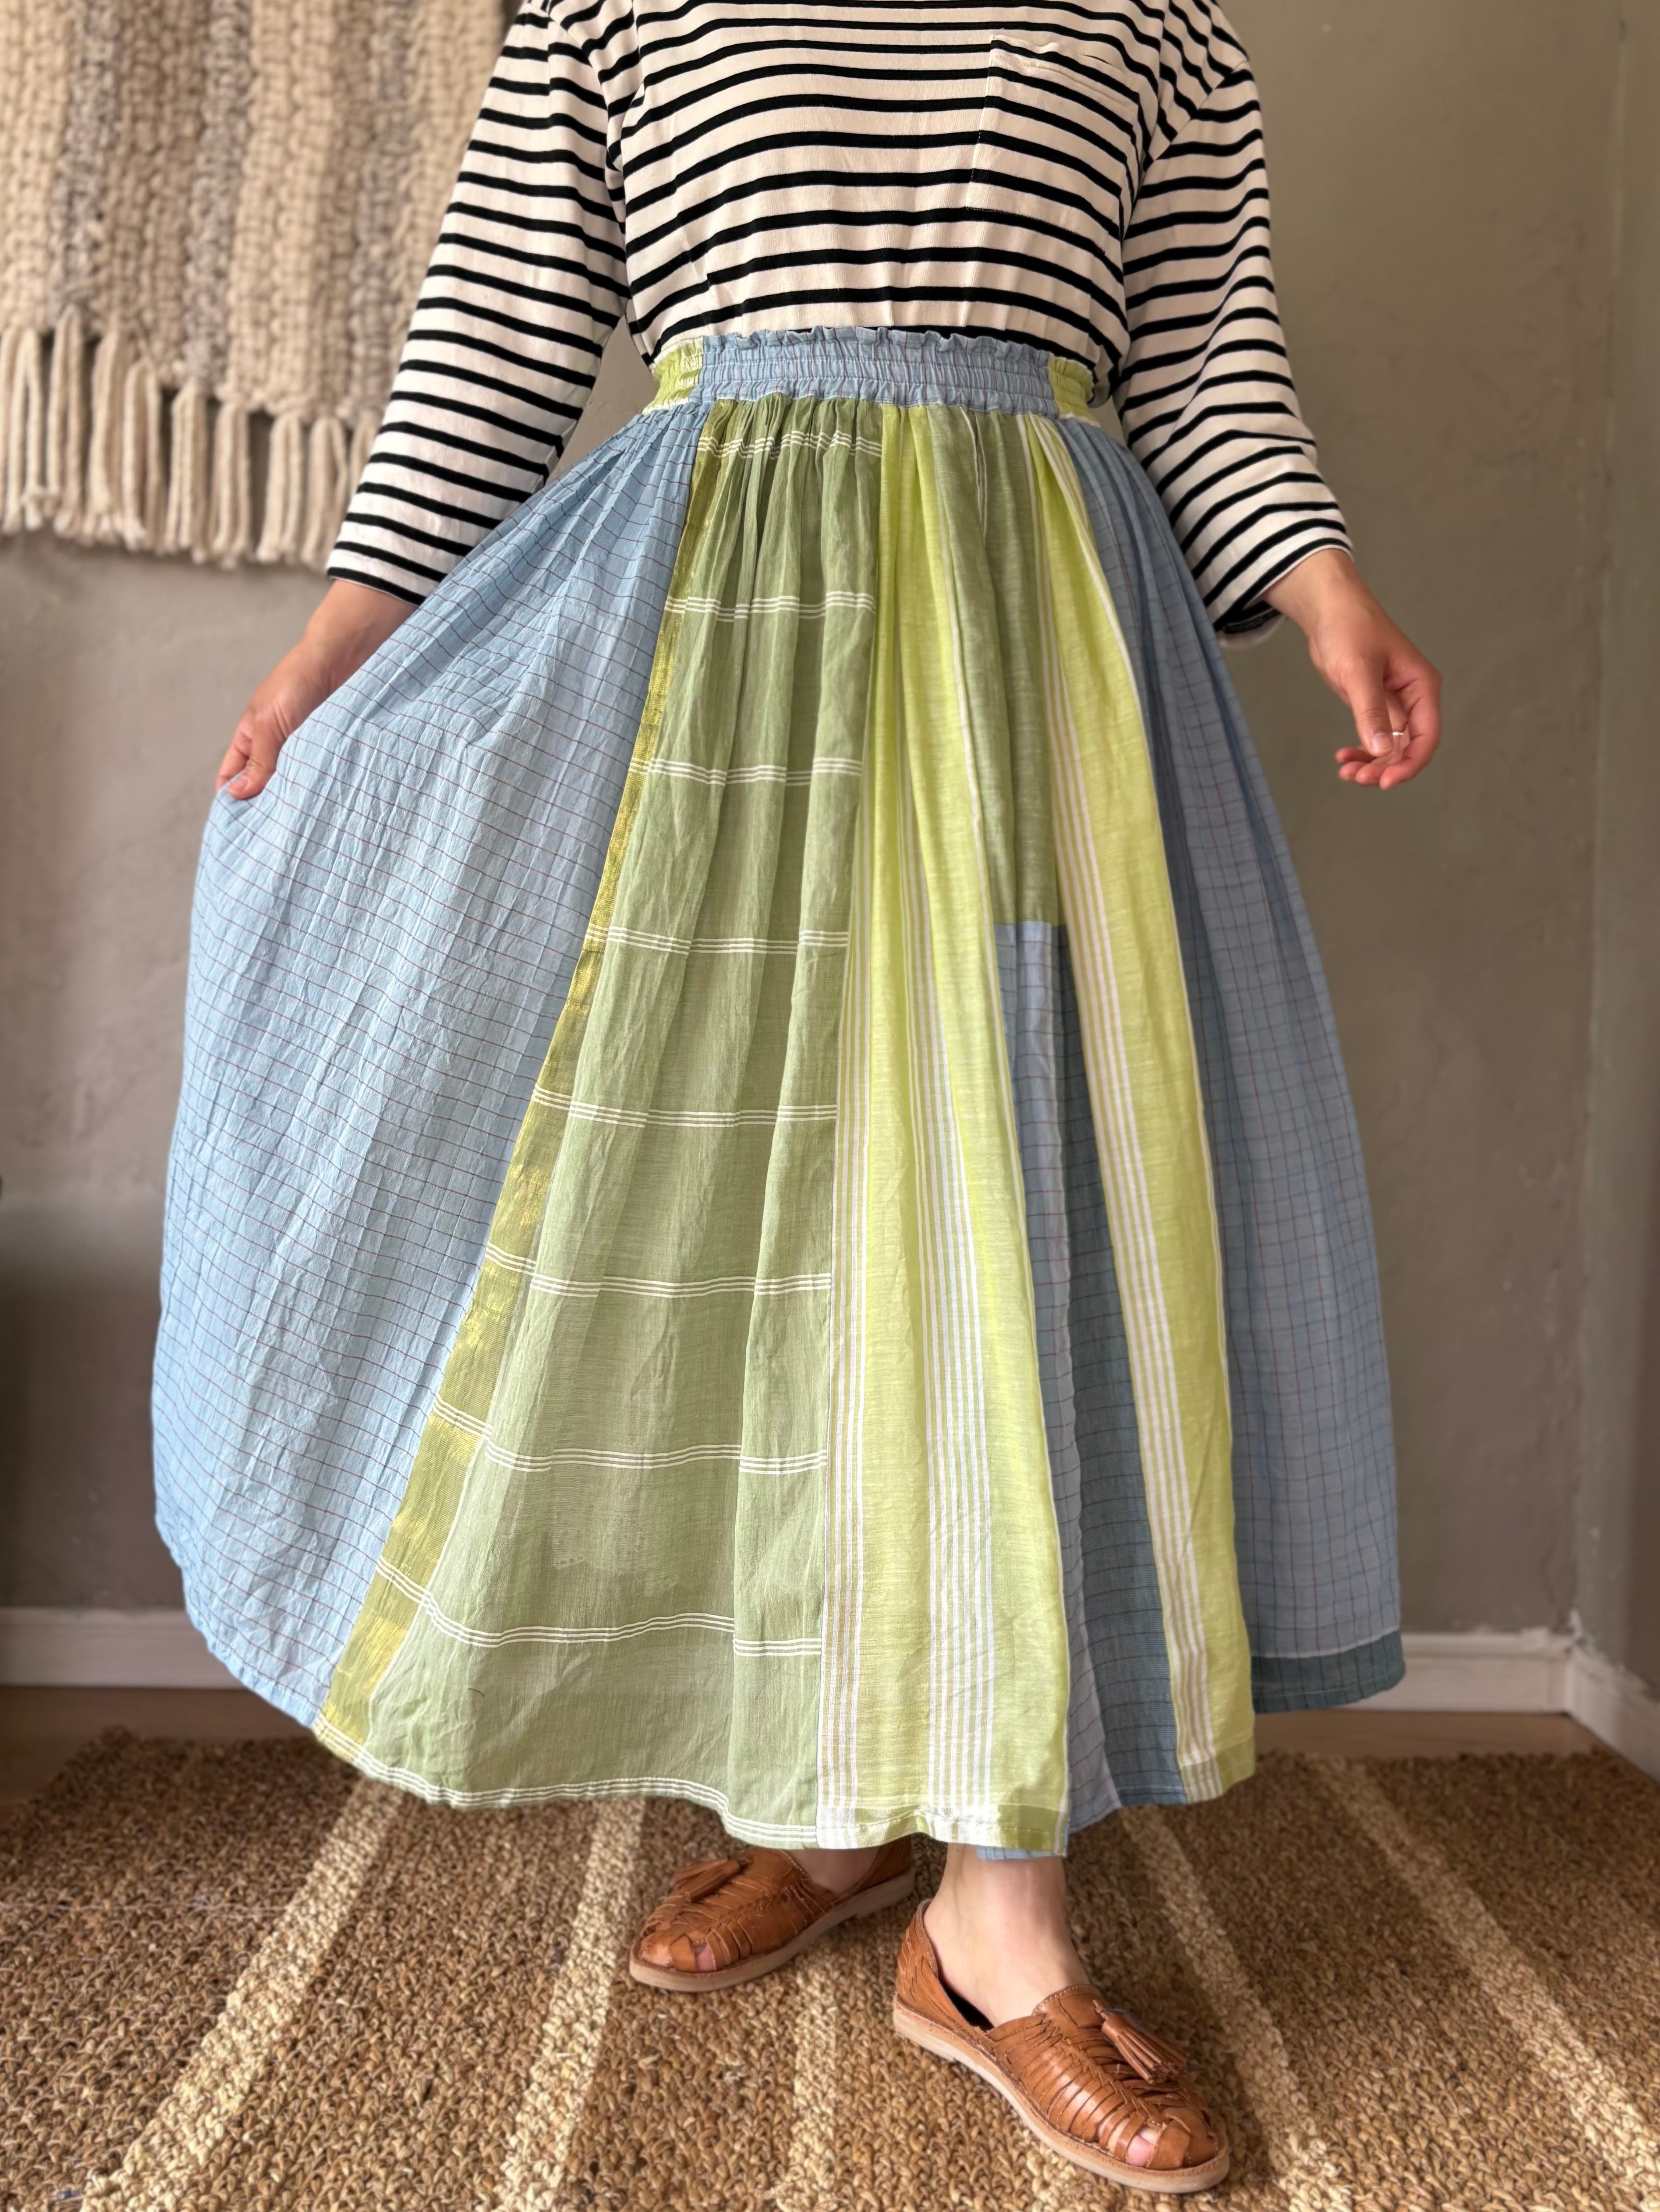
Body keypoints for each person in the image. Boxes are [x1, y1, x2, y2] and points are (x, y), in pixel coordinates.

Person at [156, 0, 1439, 2191]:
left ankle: (997, 1929)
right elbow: (495, 342)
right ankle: (835, 1809)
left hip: (1032, 665)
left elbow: (1206, 353)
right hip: (715, 675)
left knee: (1008, 1225)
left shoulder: (1155, 18)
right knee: (762, 1250)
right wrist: (333, 649)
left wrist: (1328, 595)